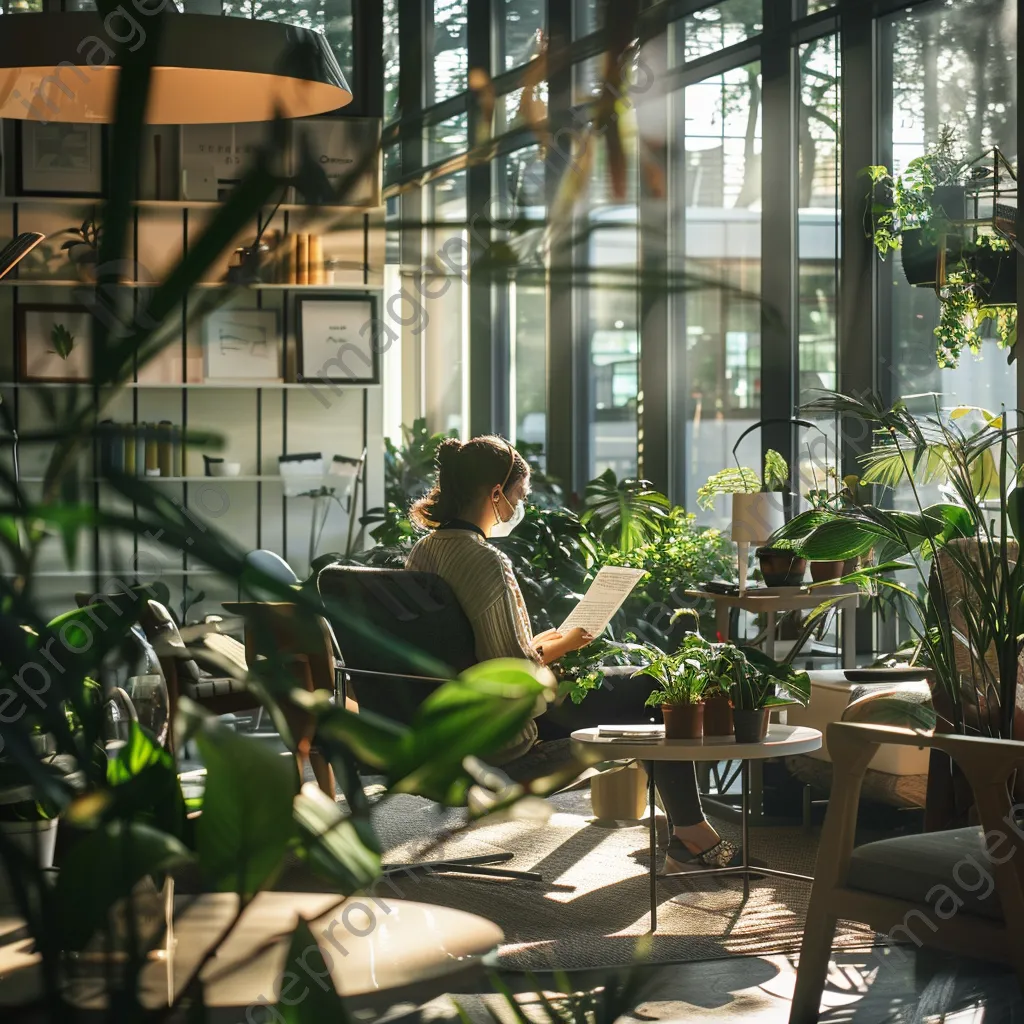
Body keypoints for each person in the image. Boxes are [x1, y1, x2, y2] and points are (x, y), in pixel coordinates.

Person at [406, 434, 737, 871]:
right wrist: (561, 646)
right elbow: (515, 674)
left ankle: (685, 830)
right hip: (507, 732)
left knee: (628, 670)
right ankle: (691, 833)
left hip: (450, 722)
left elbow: (467, 650)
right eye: (519, 496)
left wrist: (544, 645)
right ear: (495, 494)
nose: (519, 507)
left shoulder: (423, 552)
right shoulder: (484, 560)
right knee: (658, 686)